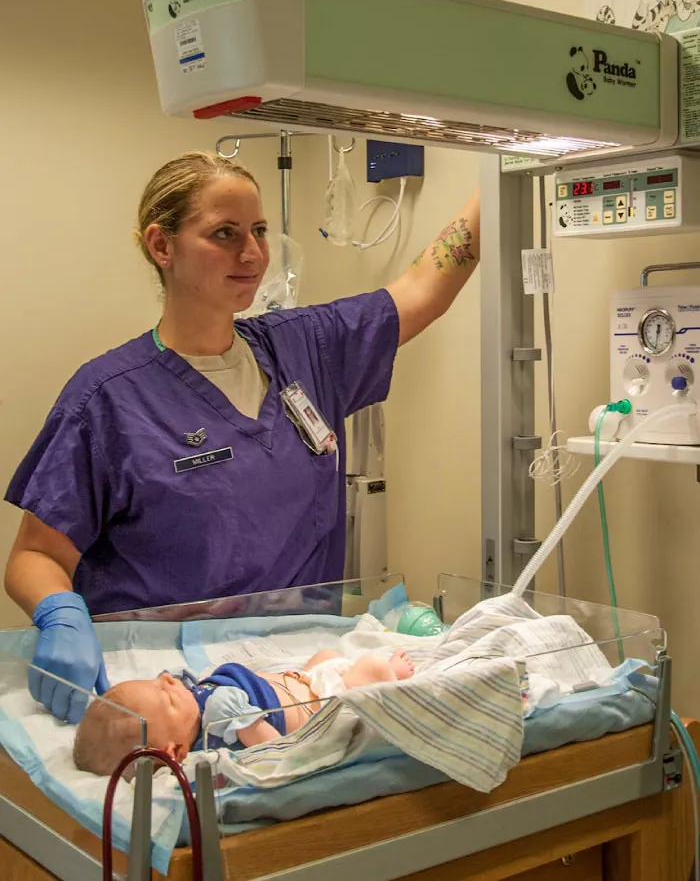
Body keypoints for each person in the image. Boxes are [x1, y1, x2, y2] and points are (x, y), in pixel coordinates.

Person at [4, 151, 480, 723]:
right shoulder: (107, 398)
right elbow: (34, 555)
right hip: (163, 685)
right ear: (163, 246)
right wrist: (60, 613)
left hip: (300, 666)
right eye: (225, 234)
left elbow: (427, 284)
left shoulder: (307, 348)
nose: (252, 254)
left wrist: (499, 172)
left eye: (258, 231)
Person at [73, 648, 415, 776]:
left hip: (305, 679)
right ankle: (392, 676)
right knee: (371, 666)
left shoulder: (191, 707)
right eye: (169, 699)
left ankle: (343, 670)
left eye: (158, 681)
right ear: (175, 751)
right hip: (322, 704)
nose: (166, 679)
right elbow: (278, 751)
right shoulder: (221, 712)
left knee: (325, 655)